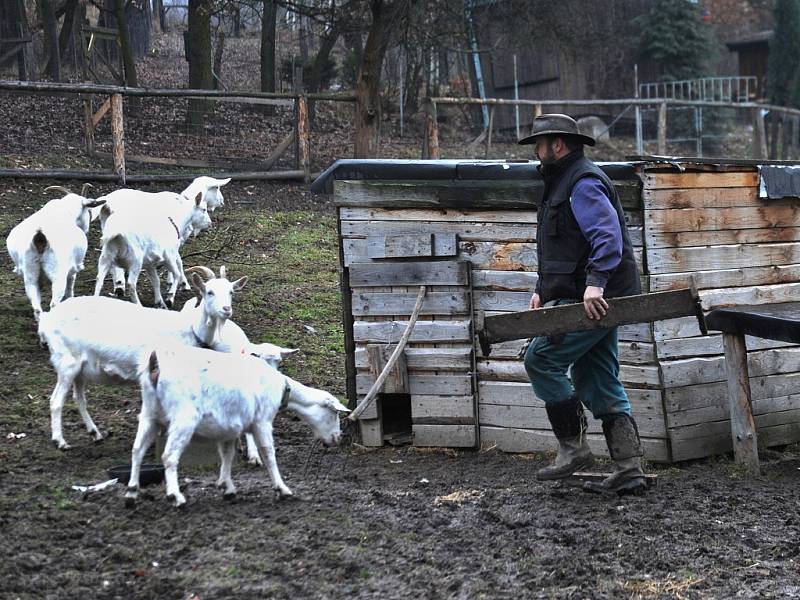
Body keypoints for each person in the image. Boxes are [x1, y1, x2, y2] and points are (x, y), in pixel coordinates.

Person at [519, 114, 647, 495]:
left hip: (595, 300)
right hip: (587, 296)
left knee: (540, 359)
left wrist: (596, 284)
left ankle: (573, 449)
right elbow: (562, 248)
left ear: (558, 145)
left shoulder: (583, 183)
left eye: (539, 145)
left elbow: (607, 238)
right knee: (597, 378)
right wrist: (543, 288)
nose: (537, 153)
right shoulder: (562, 183)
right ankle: (629, 469)